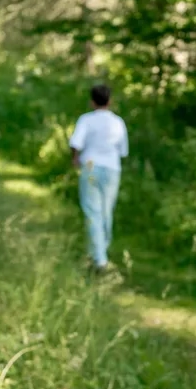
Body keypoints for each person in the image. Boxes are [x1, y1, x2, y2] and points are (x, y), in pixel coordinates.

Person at [69, 84, 129, 273]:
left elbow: (75, 143)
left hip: (91, 166)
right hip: (112, 168)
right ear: (110, 101)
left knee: (92, 211)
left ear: (92, 101)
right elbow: (123, 151)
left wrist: (75, 158)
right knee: (106, 211)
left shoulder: (86, 120)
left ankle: (99, 258)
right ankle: (99, 252)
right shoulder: (118, 122)